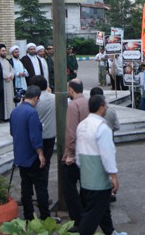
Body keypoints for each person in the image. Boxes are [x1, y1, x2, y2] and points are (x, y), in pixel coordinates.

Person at [76, 94, 127, 235]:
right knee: (92, 215)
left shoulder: (82, 125)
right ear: (101, 107)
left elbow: (78, 154)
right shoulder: (102, 128)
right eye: (105, 105)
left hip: (86, 176)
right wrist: (114, 176)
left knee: (103, 209)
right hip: (98, 179)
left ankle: (111, 232)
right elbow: (107, 154)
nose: (106, 107)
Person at [9, 85, 49, 221]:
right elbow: (35, 137)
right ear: (36, 98)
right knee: (40, 187)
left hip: (20, 156)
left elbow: (12, 132)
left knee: (25, 187)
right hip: (32, 156)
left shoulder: (15, 111)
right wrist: (41, 154)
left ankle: (28, 215)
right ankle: (45, 216)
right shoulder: (32, 113)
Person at [62, 79, 88, 230]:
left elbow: (71, 133)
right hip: (87, 152)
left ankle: (78, 220)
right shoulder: (87, 102)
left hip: (76, 153)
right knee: (85, 186)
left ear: (71, 90)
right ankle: (85, 215)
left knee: (69, 189)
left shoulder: (74, 105)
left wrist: (69, 154)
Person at [29, 75, 56, 174]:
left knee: (36, 163)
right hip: (51, 135)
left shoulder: (35, 101)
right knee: (46, 162)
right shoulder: (54, 98)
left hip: (38, 137)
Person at [0, 44, 15, 122]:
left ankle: (9, 115)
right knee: (2, 101)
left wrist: (11, 75)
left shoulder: (7, 61)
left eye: (5, 50)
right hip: (1, 85)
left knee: (9, 100)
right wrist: (8, 76)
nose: (4, 52)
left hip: (9, 83)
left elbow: (12, 69)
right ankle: (1, 117)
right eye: (2, 51)